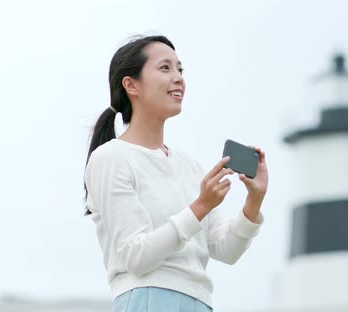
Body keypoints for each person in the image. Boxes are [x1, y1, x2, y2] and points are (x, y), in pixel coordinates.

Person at [83, 35, 268, 312]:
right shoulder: (110, 158)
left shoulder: (189, 166)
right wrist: (201, 205)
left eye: (180, 69)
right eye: (165, 68)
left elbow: (226, 250)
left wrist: (254, 200)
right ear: (131, 85)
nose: (179, 78)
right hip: (147, 299)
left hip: (200, 303)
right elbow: (137, 256)